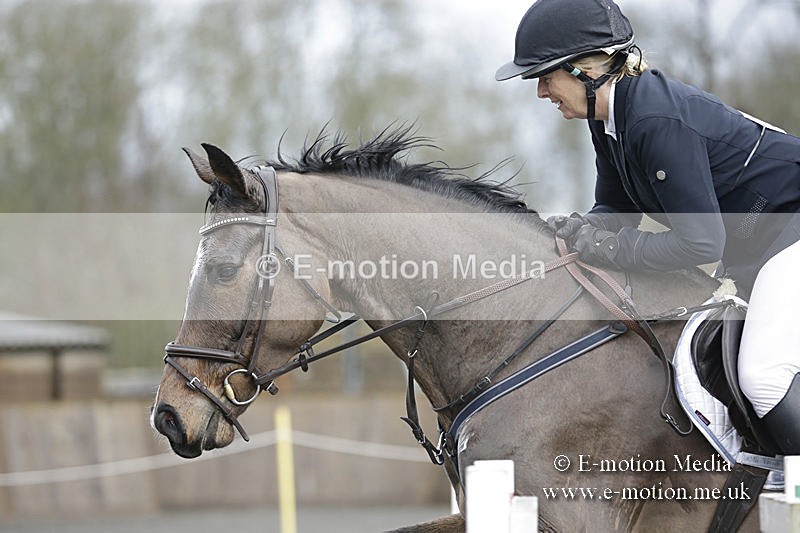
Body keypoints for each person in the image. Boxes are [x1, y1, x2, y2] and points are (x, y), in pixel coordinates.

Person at [495, 0, 800, 455]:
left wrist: (609, 249)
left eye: (545, 76)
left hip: (788, 229)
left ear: (584, 70)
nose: (541, 92)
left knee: (764, 376)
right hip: (760, 243)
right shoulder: (610, 118)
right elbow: (614, 209)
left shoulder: (654, 121)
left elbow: (699, 243)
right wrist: (563, 238)